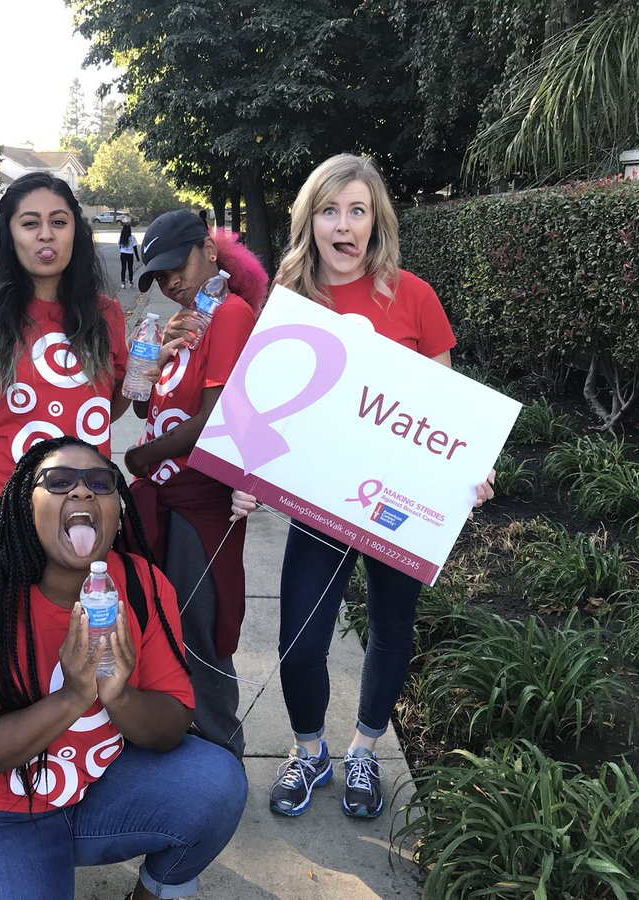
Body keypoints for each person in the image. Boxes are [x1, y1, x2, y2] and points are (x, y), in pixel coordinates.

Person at [229, 154, 495, 819]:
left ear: (376, 222)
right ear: (309, 221)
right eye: (328, 211)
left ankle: (363, 751)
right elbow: (261, 404)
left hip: (396, 505)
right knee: (300, 640)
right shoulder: (288, 300)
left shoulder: (415, 297)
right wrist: (246, 476)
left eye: (356, 211)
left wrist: (468, 467)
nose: (343, 226)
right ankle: (310, 749)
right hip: (318, 503)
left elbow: (444, 413)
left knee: (390, 625)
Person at [0, 435, 248, 900]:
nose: (81, 493)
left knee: (215, 783)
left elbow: (172, 725)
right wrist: (73, 697)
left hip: (97, 784)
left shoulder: (142, 583)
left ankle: (153, 892)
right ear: (24, 508)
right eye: (58, 482)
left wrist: (121, 696)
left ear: (117, 514)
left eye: (101, 481)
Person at [122, 211, 265, 758]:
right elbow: (142, 403)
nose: (169, 283)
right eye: (157, 277)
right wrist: (150, 357)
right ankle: (181, 740)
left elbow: (213, 421)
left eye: (174, 267)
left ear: (208, 248)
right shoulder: (189, 320)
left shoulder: (229, 313)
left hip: (199, 504)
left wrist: (140, 458)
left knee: (200, 633)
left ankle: (220, 751)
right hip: (164, 502)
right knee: (165, 627)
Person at [0, 173, 130, 556]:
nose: (46, 234)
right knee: (3, 618)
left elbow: (108, 409)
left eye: (58, 222)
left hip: (84, 505)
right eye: (30, 223)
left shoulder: (107, 315)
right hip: (2, 508)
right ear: (9, 236)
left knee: (81, 616)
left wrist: (144, 373)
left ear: (75, 232)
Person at [117, 221, 139, 289]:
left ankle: (123, 283)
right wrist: (137, 257)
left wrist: (122, 250)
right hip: (130, 254)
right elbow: (135, 248)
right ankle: (130, 282)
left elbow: (119, 245)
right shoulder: (132, 237)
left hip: (123, 254)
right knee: (130, 268)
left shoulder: (121, 237)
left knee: (123, 268)